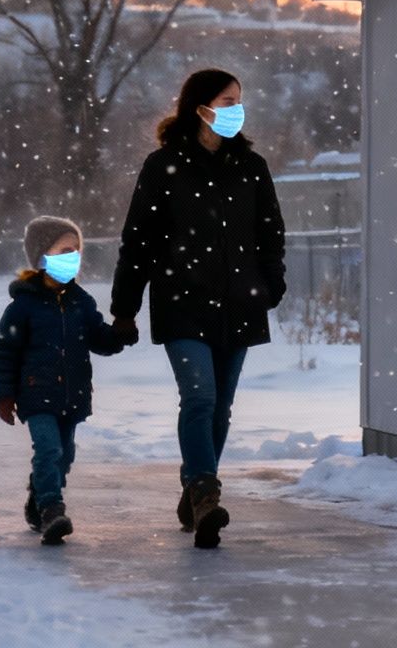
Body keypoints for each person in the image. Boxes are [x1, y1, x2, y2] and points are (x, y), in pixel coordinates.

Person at [112, 68, 285, 549]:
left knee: (221, 409)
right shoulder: (163, 165)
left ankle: (194, 487)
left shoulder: (251, 167)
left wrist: (271, 286)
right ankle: (207, 493)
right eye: (227, 100)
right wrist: (124, 309)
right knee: (200, 397)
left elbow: (271, 233)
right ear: (200, 107)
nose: (236, 109)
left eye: (239, 101)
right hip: (182, 302)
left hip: (240, 305)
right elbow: (138, 242)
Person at [0, 216, 133, 545]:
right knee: (49, 449)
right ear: (42, 257)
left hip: (73, 394)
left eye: (77, 251)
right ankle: (53, 508)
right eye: (65, 250)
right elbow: (3, 351)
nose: (73, 257)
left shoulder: (81, 302)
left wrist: (120, 335)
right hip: (36, 393)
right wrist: (3, 394)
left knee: (64, 454)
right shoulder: (23, 306)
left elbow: (98, 338)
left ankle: (38, 497)